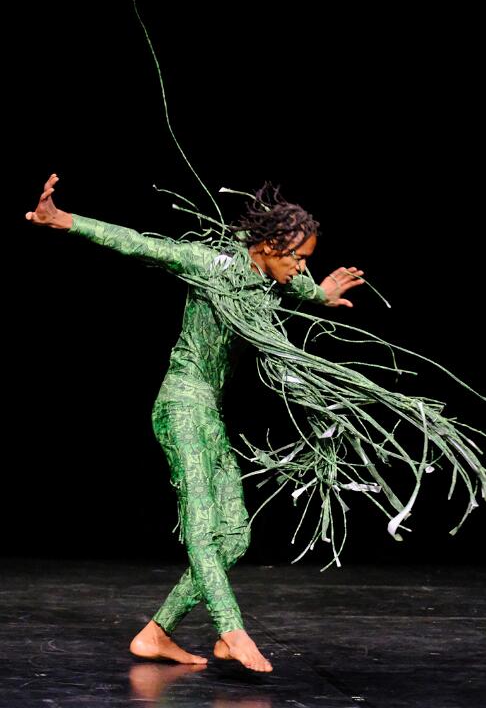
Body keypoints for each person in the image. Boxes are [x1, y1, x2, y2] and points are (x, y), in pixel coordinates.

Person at [26, 173, 366, 673]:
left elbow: (297, 288)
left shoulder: (271, 278)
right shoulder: (212, 265)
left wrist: (320, 293)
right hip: (182, 404)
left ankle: (156, 633)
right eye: (298, 258)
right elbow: (141, 244)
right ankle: (231, 631)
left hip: (209, 411)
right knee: (203, 526)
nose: (301, 268)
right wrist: (65, 221)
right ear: (269, 246)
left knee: (236, 537)